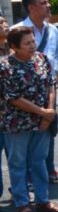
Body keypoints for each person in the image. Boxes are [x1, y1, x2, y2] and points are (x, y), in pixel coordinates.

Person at [0, 27, 58, 212]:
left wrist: (48, 114)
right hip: (16, 124)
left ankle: (42, 199)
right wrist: (42, 112)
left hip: (42, 122)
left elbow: (50, 85)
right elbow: (13, 97)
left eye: (33, 41)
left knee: (39, 161)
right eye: (27, 43)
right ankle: (22, 202)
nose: (32, 46)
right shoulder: (5, 66)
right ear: (13, 46)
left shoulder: (41, 59)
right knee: (18, 163)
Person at [15, 0, 58, 184]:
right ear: (31, 7)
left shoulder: (52, 30)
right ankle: (26, 177)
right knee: (25, 133)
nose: (49, 6)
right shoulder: (18, 30)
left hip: (49, 91)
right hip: (23, 92)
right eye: (43, 3)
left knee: (48, 128)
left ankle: (49, 169)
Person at [0, 15, 10, 200]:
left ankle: (20, 194)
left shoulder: (13, 47)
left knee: (18, 159)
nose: (5, 24)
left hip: (14, 115)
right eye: (0, 23)